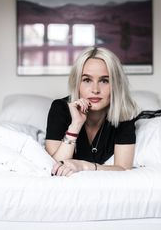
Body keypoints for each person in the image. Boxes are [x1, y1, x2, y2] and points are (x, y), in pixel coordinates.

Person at [45, 47, 139, 176]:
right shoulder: (60, 108)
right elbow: (54, 166)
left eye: (104, 81)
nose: (95, 89)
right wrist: (75, 125)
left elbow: (123, 168)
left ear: (116, 84)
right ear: (77, 83)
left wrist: (84, 166)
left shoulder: (124, 112)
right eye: (87, 80)